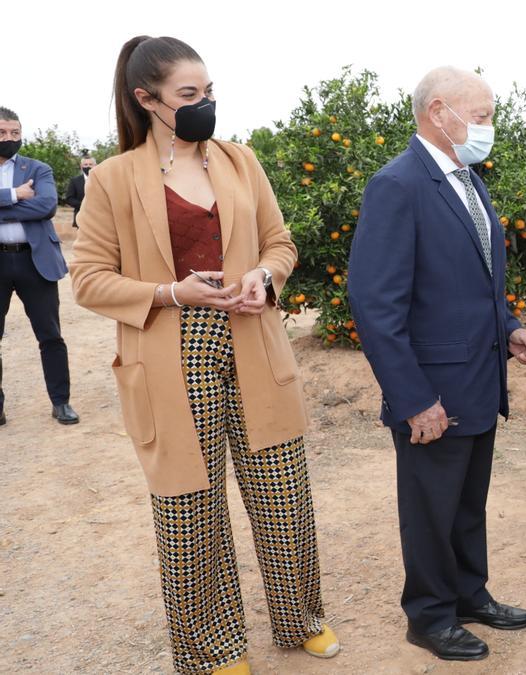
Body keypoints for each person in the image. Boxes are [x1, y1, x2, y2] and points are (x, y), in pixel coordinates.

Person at [71, 36, 338, 675]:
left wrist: (265, 279)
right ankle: (211, 646)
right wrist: (170, 292)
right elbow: (87, 279)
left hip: (250, 336)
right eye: (190, 95)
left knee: (281, 488)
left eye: (209, 91)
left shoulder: (241, 162)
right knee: (191, 506)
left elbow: (280, 241)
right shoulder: (112, 179)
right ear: (148, 100)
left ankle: (300, 617)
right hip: (171, 348)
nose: (205, 104)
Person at [348, 66, 526, 662]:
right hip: (432, 388)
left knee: (466, 501)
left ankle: (468, 594)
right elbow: (375, 305)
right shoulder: (398, 185)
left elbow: (476, 282)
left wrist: (510, 327)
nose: (488, 128)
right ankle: (429, 616)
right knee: (431, 508)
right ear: (440, 113)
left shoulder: (468, 180)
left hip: (478, 378)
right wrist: (412, 398)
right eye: (481, 116)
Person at [0, 106, 77, 428]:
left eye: (15, 133)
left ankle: (61, 402)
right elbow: (31, 206)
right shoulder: (22, 182)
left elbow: (45, 206)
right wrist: (14, 195)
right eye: (3, 133)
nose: (10, 139)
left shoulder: (38, 168)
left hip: (35, 261)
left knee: (50, 336)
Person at [64, 153, 96, 228]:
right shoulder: (74, 181)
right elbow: (69, 198)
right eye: (85, 164)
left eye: (90, 164)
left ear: (95, 166)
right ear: (81, 167)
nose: (88, 166)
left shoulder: (102, 180)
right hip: (81, 217)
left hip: (99, 218)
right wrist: (84, 205)